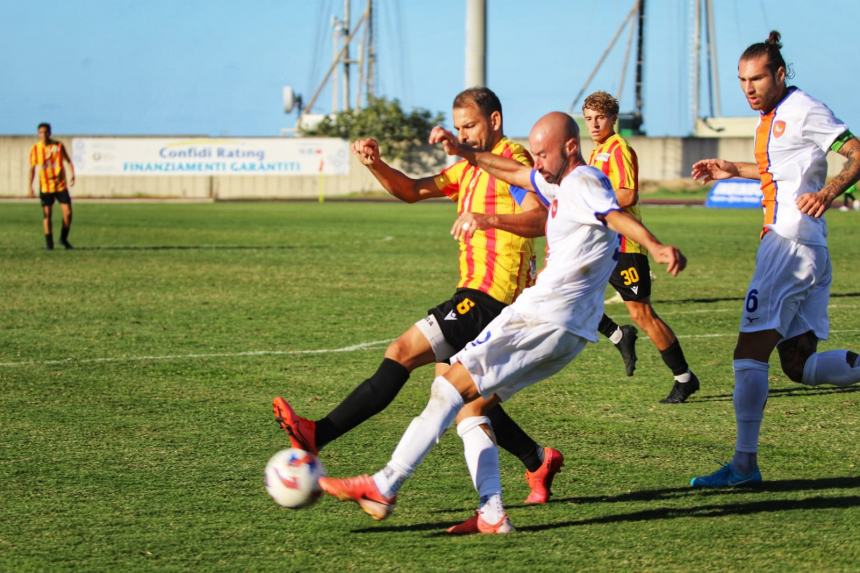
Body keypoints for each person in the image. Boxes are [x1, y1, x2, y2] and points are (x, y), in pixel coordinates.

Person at [318, 111, 687, 534]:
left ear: (570, 147)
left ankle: (384, 485)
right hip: (569, 332)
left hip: (541, 316)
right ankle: (491, 513)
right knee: (473, 407)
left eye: (544, 153)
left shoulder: (584, 182)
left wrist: (655, 247)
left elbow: (615, 216)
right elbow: (514, 171)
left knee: (446, 386)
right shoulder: (558, 180)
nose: (538, 161)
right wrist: (465, 152)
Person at [273, 87, 564, 504]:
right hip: (475, 294)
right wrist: (376, 165)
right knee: (462, 397)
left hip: (491, 297)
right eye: (459, 127)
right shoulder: (467, 168)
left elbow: (541, 216)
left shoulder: (513, 162)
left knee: (404, 351)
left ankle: (320, 434)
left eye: (470, 126)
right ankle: (537, 459)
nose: (463, 135)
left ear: (495, 122)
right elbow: (411, 190)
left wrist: (487, 217)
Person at [690, 31, 860, 488]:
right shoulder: (770, 116)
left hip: (788, 244)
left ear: (780, 74)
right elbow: (780, 171)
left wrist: (826, 193)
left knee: (748, 353)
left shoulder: (803, 108)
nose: (749, 87)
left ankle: (744, 467)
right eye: (742, 80)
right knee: (797, 365)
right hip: (808, 247)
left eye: (758, 78)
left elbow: (856, 152)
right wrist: (733, 169)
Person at [583, 91, 700, 403]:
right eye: (589, 119)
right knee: (576, 296)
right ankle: (619, 336)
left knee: (643, 314)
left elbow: (627, 194)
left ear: (613, 119)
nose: (594, 124)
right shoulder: (596, 152)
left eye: (600, 118)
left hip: (626, 245)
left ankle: (684, 378)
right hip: (602, 244)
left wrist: (592, 209)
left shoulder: (619, 148)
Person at [28, 123, 76, 250]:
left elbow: (68, 160)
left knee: (68, 213)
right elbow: (32, 169)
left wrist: (72, 174)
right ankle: (49, 244)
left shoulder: (58, 146)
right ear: (38, 134)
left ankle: (63, 239)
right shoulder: (35, 149)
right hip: (45, 187)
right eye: (41, 132)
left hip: (60, 185)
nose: (43, 135)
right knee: (47, 215)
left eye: (46, 132)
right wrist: (30, 186)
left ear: (50, 133)